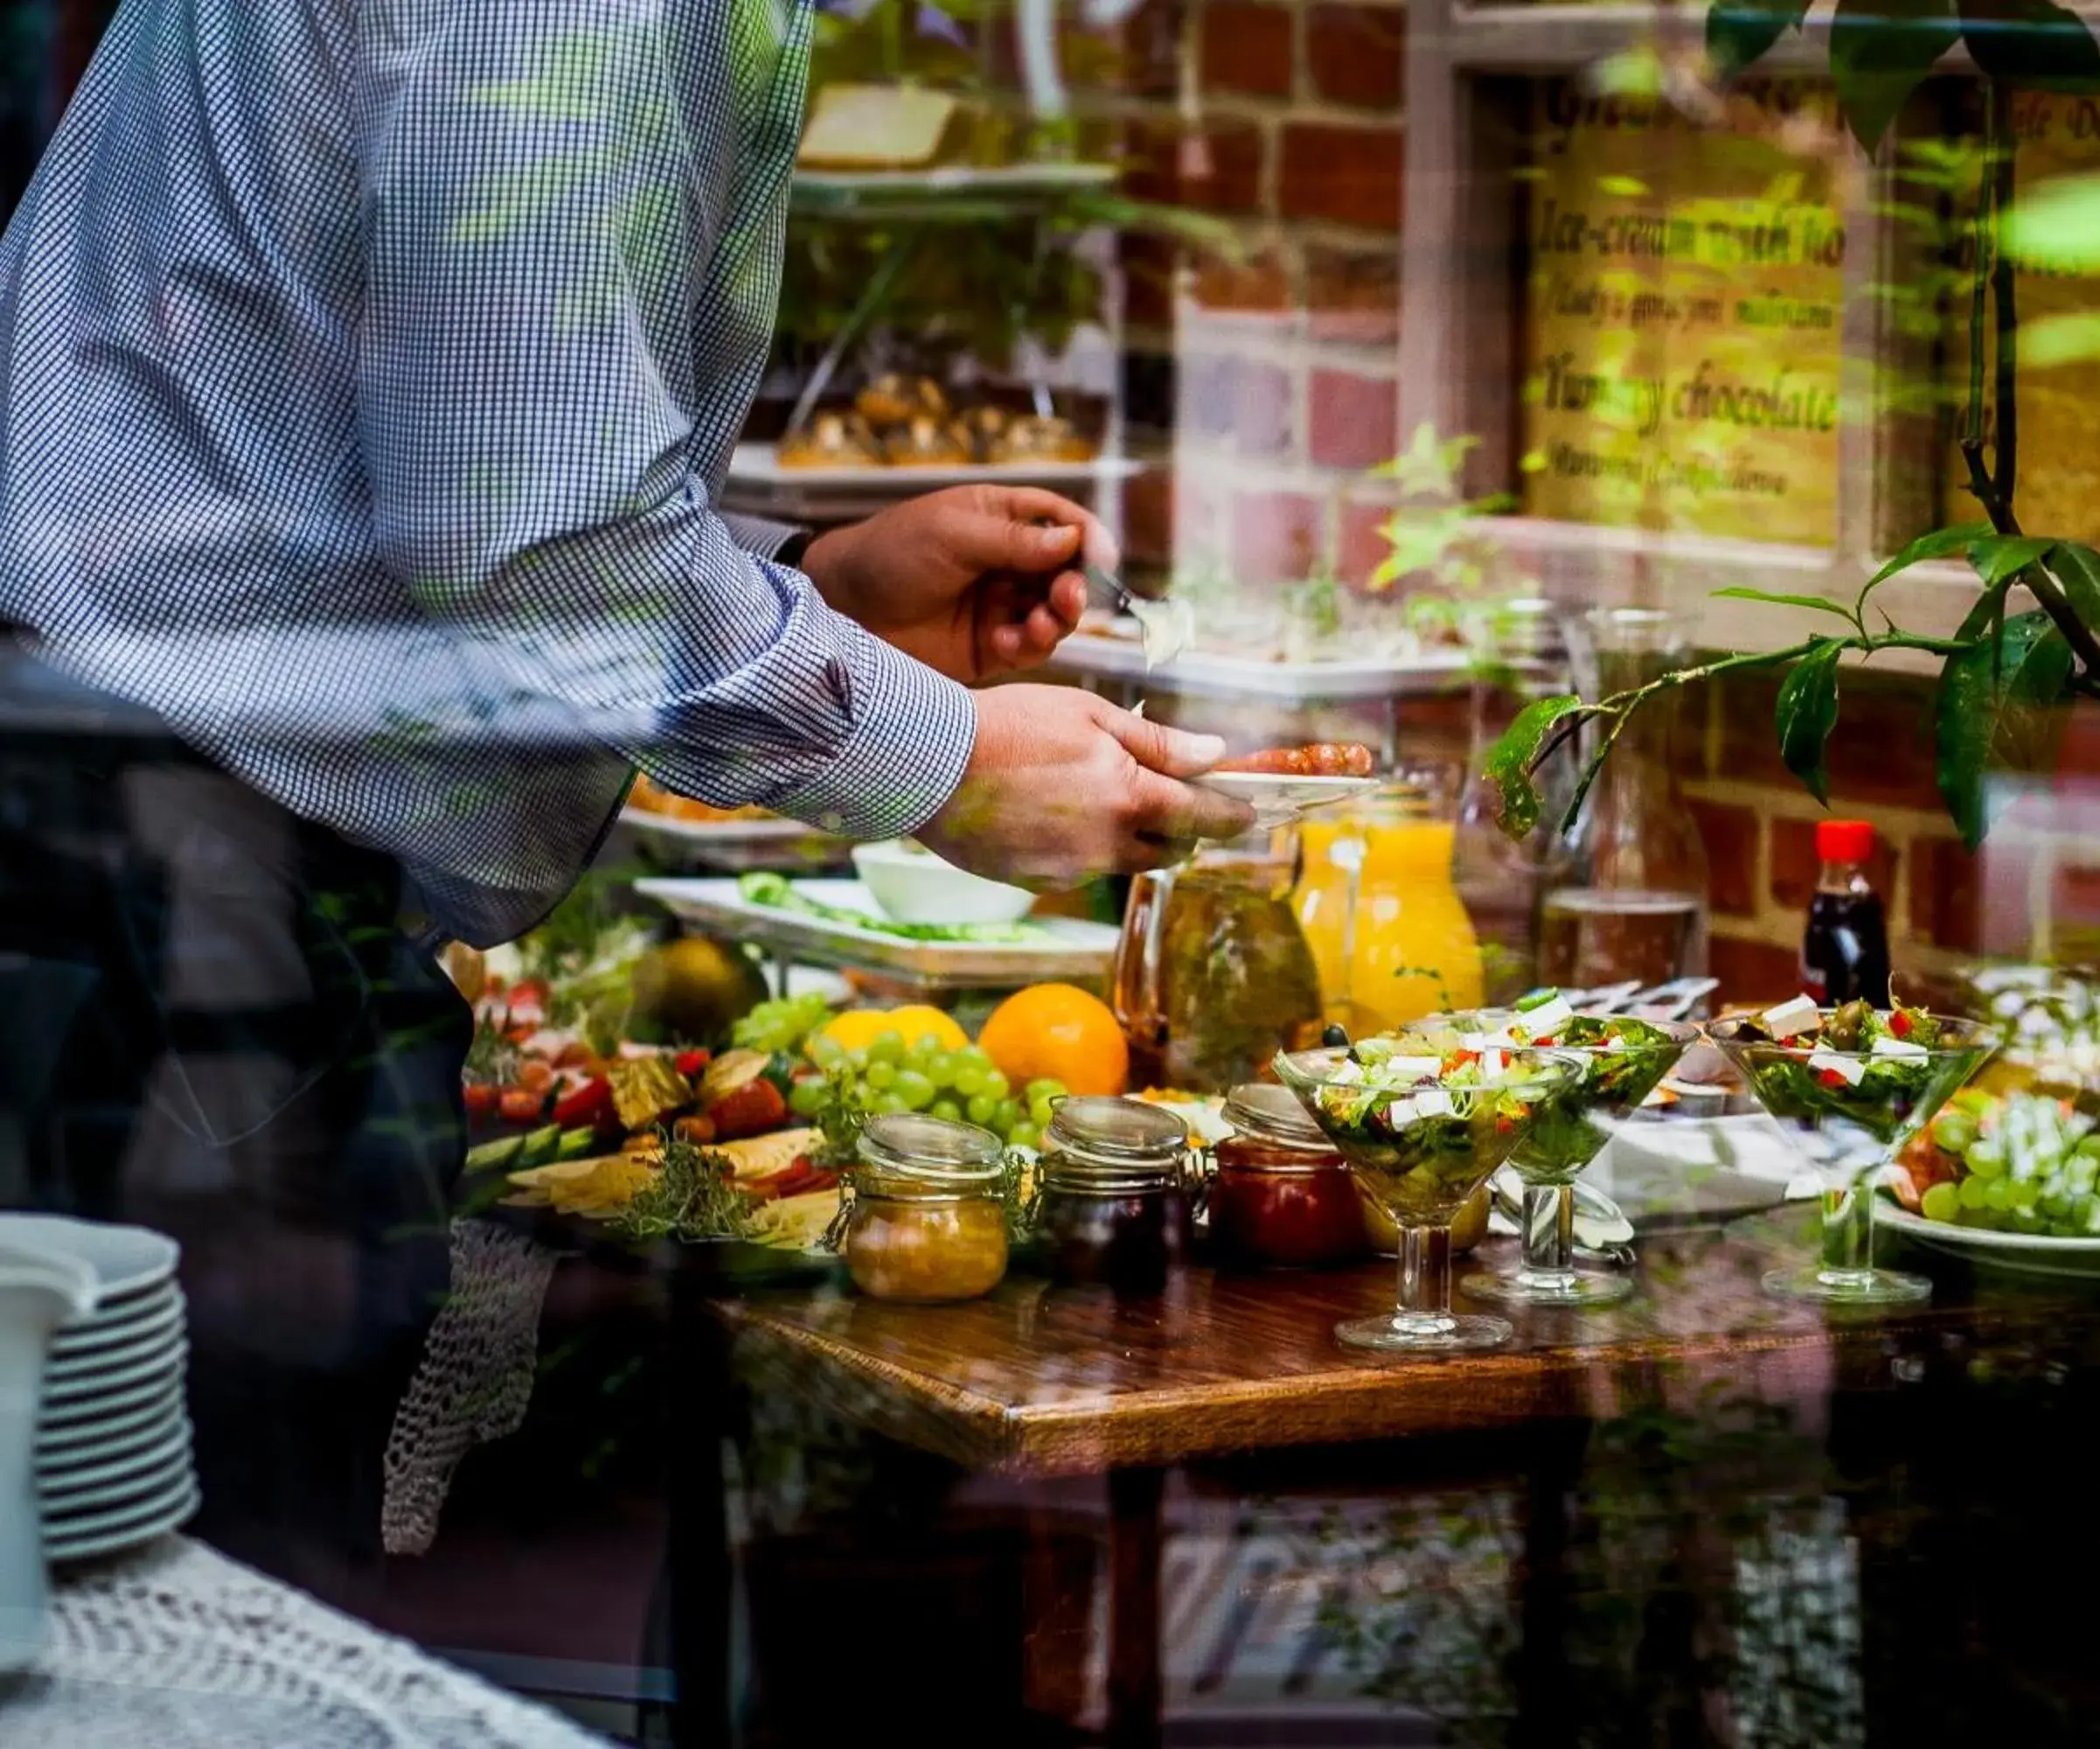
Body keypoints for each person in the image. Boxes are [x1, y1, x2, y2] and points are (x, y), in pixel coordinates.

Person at [0, 0, 1249, 1592]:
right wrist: (940, 761)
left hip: (134, 802)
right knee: (181, 1624)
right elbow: (524, 535)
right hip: (164, 863)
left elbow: (455, 443)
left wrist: (813, 585)